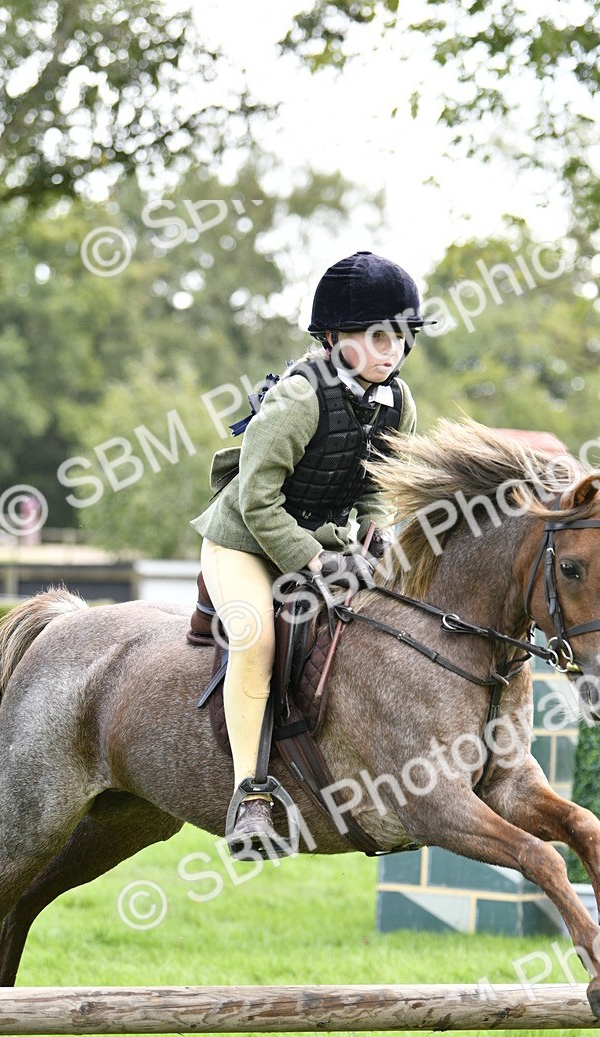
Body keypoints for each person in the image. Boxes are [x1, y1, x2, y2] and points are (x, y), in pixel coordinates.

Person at [191, 250, 433, 859]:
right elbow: (256, 500)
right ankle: (251, 796)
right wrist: (312, 561)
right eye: (376, 336)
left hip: (324, 544)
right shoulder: (299, 398)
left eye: (400, 338)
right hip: (243, 540)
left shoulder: (397, 401)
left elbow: (381, 485)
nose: (391, 351)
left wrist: (376, 535)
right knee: (256, 640)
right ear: (331, 337)